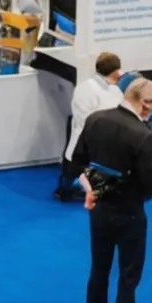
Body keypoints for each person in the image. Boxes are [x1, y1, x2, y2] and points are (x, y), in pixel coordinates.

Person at [73, 77, 152, 303]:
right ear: (146, 103)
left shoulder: (96, 119)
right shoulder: (143, 136)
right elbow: (150, 186)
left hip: (99, 211)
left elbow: (79, 160)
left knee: (98, 272)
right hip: (130, 214)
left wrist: (93, 190)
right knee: (128, 279)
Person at [60, 53, 125, 203]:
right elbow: (85, 120)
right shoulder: (85, 89)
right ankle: (66, 189)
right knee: (75, 171)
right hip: (85, 142)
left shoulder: (115, 90)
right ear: (117, 72)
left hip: (106, 142)